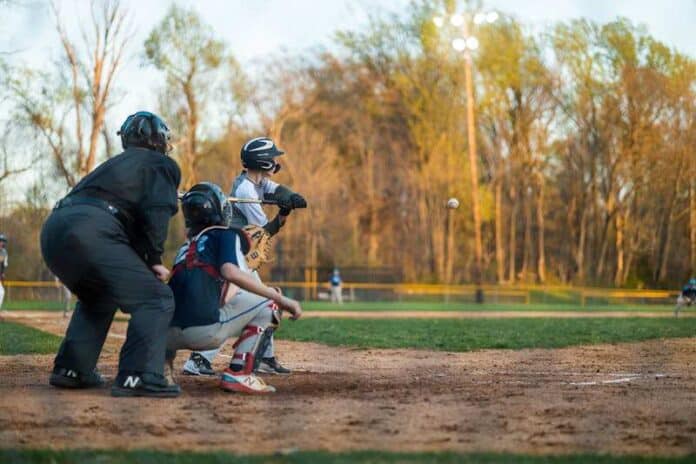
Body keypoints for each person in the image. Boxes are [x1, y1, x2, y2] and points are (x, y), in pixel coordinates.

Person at [41, 111, 182, 398]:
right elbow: (155, 213)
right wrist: (154, 259)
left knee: (99, 296)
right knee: (155, 298)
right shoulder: (161, 163)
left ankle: (72, 369)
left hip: (54, 230)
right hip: (93, 230)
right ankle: (139, 376)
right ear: (159, 139)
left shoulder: (113, 166)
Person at [182, 136, 306, 377]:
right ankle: (198, 359)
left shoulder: (258, 183)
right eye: (272, 158)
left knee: (266, 304)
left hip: (243, 256)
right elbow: (262, 233)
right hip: (234, 256)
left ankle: (266, 357)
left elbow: (278, 190)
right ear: (263, 161)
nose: (275, 161)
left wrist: (290, 198)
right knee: (234, 305)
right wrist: (282, 215)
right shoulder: (244, 188)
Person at [166, 182, 302, 393]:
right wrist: (283, 300)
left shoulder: (186, 247)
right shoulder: (225, 234)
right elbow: (230, 273)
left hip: (164, 336)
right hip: (203, 333)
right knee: (271, 299)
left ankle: (162, 371)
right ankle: (240, 373)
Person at [0, 234, 8, 309]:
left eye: (3, 241)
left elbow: (4, 265)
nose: (2, 243)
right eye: (1, 241)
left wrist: (2, 273)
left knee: (1, 292)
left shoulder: (4, 252)